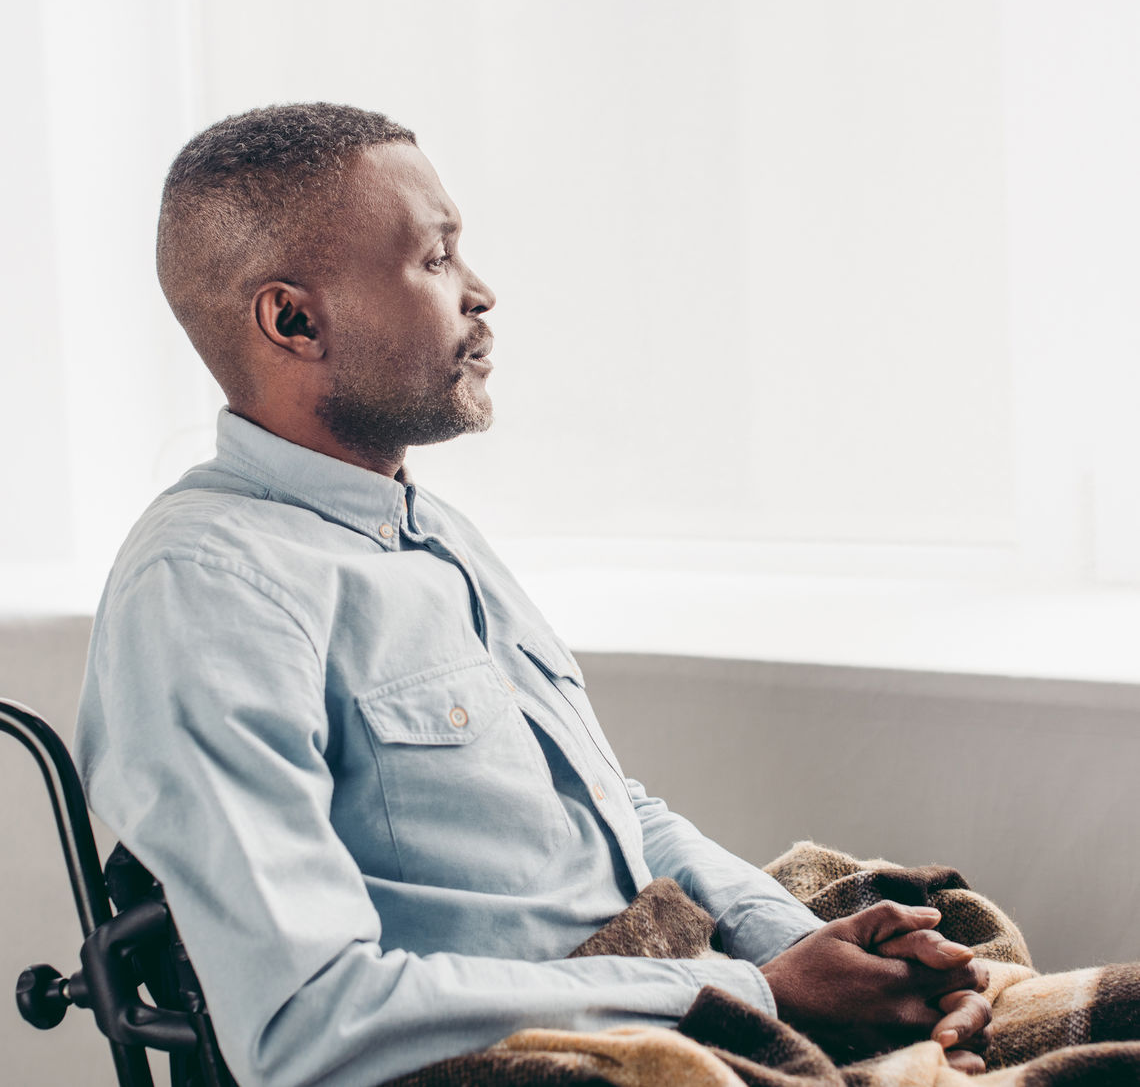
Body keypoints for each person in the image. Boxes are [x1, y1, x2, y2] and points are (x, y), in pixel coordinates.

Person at [74, 103, 991, 1087]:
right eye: (435, 259)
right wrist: (755, 995)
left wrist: (801, 946)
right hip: (557, 1061)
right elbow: (307, 1024)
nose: (481, 293)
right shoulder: (209, 593)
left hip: (672, 989)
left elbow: (616, 813)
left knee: (974, 959)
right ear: (293, 319)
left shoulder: (429, 531)